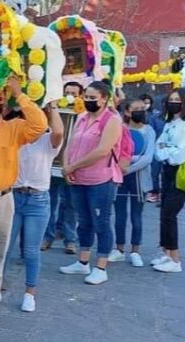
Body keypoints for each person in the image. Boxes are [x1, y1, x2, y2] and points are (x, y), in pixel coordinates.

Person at [0, 75, 48, 324]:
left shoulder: (15, 128)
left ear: (5, 104)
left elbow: (39, 125)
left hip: (1, 200)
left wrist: (19, 94)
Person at [59, 80, 124, 285]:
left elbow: (102, 150)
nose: (88, 100)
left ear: (104, 99)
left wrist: (73, 166)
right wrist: (67, 165)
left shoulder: (111, 121)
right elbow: (70, 143)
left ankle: (101, 266)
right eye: (85, 97)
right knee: (83, 221)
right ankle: (83, 260)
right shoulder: (81, 118)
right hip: (79, 178)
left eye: (92, 98)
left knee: (101, 222)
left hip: (101, 180)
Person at [9, 101, 64, 312]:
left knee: (31, 250)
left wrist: (53, 107)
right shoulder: (16, 136)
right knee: (3, 247)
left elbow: (59, 131)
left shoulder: (47, 139)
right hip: (14, 195)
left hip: (37, 200)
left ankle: (30, 293)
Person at [152, 88, 185, 273]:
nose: (173, 103)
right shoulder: (170, 123)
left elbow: (182, 152)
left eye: (177, 100)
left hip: (181, 171)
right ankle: (167, 253)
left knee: (170, 214)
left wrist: (168, 151)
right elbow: (159, 145)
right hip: (168, 170)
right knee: (164, 211)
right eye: (170, 99)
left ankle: (176, 259)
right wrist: (167, 151)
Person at [109, 98, 156, 267]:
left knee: (137, 216)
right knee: (119, 215)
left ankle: (135, 251)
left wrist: (126, 166)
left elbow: (148, 158)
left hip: (138, 178)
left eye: (143, 108)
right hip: (120, 178)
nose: (140, 111)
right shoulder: (120, 129)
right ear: (127, 112)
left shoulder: (149, 131)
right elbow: (115, 151)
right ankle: (119, 249)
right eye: (136, 109)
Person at [43, 82, 86, 253]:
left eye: (74, 93)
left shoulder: (84, 116)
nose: (70, 96)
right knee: (49, 203)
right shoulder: (53, 112)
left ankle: (70, 240)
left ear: (80, 96)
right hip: (52, 164)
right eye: (67, 92)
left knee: (71, 205)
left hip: (72, 165)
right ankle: (47, 237)